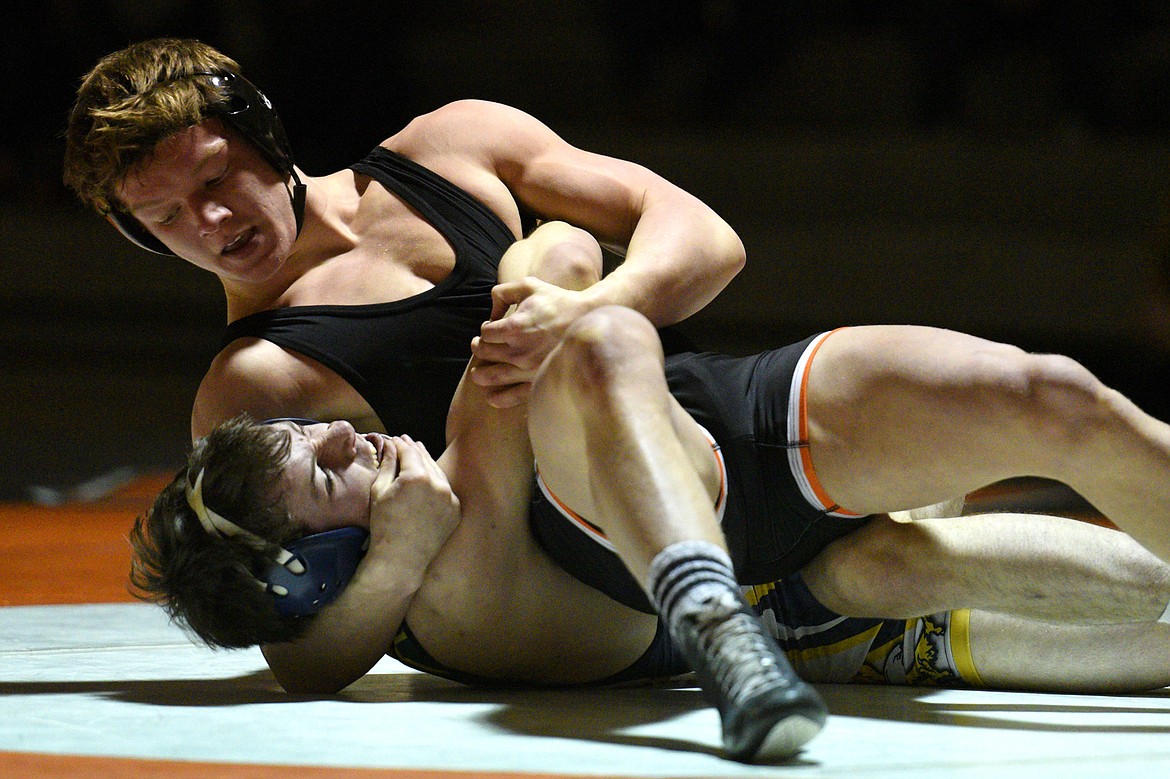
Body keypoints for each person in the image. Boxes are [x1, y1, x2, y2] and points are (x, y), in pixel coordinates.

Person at [131, 222, 1170, 763]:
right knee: (885, 564)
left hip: (738, 427)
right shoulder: (419, 594)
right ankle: (717, 612)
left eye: (321, 431)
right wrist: (402, 550)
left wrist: (555, 295)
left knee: (1056, 395)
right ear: (314, 565)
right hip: (796, 593)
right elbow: (302, 662)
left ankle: (715, 604)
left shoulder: (463, 428)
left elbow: (583, 243)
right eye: (326, 466)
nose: (353, 434)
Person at [62, 37, 745, 452]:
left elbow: (708, 236)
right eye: (165, 215)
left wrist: (594, 313)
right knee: (561, 252)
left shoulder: (453, 146)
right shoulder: (249, 388)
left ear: (264, 132)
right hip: (598, 566)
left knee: (565, 254)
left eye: (217, 175)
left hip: (714, 427)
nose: (208, 220)